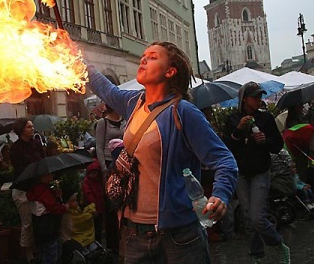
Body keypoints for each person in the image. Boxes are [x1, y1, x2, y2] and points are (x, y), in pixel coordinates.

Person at [87, 41, 238, 263]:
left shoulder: (183, 112)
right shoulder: (133, 102)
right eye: (144, 55)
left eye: (153, 57)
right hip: (133, 233)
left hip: (178, 236)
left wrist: (221, 194)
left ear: (170, 71)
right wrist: (74, 57)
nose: (143, 59)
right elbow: (105, 88)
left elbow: (224, 160)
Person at [223, 81, 290, 263]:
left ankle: (278, 243)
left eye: (260, 96)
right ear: (245, 99)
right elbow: (227, 146)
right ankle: (257, 254)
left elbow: (277, 145)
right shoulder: (234, 119)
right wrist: (238, 131)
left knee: (257, 217)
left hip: (260, 170)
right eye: (255, 96)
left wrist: (264, 141)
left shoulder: (266, 118)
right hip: (241, 172)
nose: (259, 99)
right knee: (247, 217)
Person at [9, 118, 46, 264]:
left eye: (32, 126)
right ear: (21, 130)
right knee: (27, 223)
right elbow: (19, 169)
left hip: (37, 188)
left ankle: (40, 249)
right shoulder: (16, 148)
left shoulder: (37, 144)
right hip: (22, 190)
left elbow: (43, 161)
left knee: (40, 219)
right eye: (29, 127)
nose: (32, 128)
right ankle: (29, 255)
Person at [27, 172, 68, 264]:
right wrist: (66, 207)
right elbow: (53, 207)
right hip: (48, 226)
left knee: (46, 251)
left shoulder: (37, 189)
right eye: (51, 174)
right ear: (44, 176)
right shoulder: (43, 191)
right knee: (51, 254)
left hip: (41, 226)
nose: (53, 175)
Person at [94, 104, 125, 174]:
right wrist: (104, 168)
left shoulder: (125, 120)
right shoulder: (103, 122)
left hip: (123, 160)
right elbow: (99, 147)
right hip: (109, 160)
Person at [82, 160, 104, 243]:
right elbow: (89, 196)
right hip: (92, 210)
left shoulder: (98, 181)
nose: (94, 175)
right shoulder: (87, 182)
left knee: (98, 229)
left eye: (95, 173)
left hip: (99, 208)